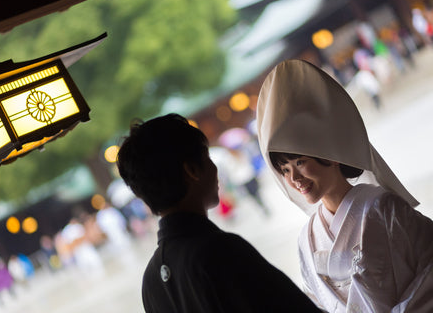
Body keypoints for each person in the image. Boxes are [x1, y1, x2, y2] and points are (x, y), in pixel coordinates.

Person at [256, 59, 433, 312]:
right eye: (284, 169)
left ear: (328, 152)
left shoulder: (384, 208)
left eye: (300, 162)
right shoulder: (307, 239)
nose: (293, 178)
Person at [116, 113, 320, 312]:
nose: (215, 170)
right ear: (192, 171)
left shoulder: (151, 282)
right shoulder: (220, 251)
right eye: (207, 157)